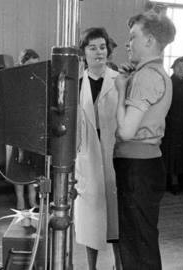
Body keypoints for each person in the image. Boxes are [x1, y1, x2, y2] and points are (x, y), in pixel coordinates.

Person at [113, 10, 175, 270]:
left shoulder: (147, 77)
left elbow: (126, 132)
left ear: (149, 40)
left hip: (136, 168)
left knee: (137, 242)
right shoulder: (152, 72)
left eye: (133, 37)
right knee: (140, 239)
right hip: (143, 166)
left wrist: (120, 90)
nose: (128, 43)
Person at [74, 27, 121, 270]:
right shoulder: (77, 83)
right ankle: (91, 267)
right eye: (92, 47)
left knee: (116, 217)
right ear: (84, 53)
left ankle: (117, 265)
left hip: (114, 155)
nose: (99, 52)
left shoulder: (120, 79)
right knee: (90, 221)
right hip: (87, 158)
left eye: (102, 47)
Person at [8, 49, 40, 211]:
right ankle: (20, 200)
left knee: (32, 169)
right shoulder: (17, 83)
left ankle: (32, 199)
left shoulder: (38, 82)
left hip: (33, 130)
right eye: (29, 65)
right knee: (19, 168)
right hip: (19, 131)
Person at [160, 56, 183, 195]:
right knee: (171, 152)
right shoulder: (168, 82)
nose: (182, 69)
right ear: (173, 68)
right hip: (172, 122)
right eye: (179, 66)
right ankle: (172, 180)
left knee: (181, 152)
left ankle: (179, 179)